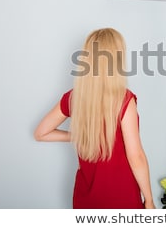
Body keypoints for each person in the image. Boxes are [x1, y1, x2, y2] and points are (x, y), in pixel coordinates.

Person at [34, 28, 155, 209]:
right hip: (121, 198)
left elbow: (41, 133)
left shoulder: (73, 97)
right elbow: (136, 157)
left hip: (86, 199)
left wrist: (78, 136)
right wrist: (150, 200)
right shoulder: (124, 101)